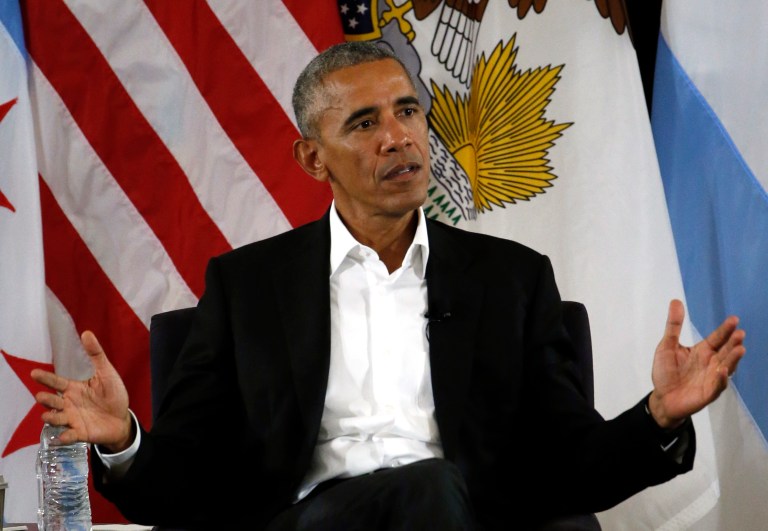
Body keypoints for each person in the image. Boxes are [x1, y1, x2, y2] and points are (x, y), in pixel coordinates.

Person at [31, 41, 746, 530]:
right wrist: (123, 437)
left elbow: (570, 466)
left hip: (460, 514)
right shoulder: (246, 286)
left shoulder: (512, 280)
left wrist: (658, 414)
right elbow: (185, 479)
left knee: (434, 489)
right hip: (310, 520)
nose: (398, 137)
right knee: (426, 487)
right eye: (365, 122)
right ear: (313, 157)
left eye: (408, 111)